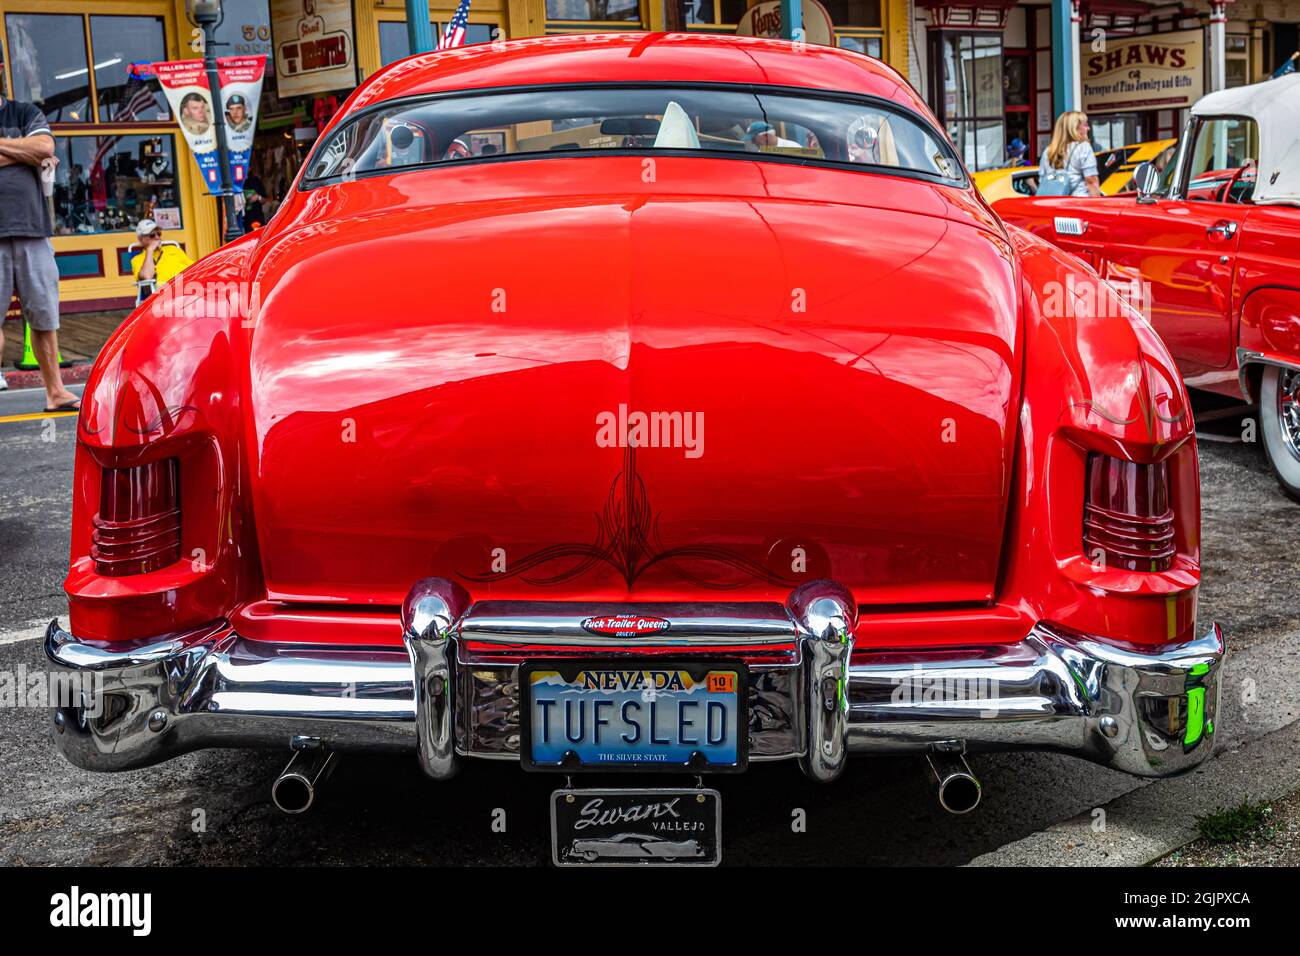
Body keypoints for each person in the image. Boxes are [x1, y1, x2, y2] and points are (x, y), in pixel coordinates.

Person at [0, 91, 79, 411]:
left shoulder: (23, 112)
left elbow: (45, 147)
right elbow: (34, 151)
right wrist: (23, 152)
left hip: (33, 228)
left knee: (44, 316)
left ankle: (55, 392)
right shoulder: (23, 125)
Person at [1040, 111, 1102, 197]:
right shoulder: (1083, 147)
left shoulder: (1048, 151)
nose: (1088, 128)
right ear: (1074, 128)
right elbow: (1091, 180)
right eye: (1085, 125)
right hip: (1078, 203)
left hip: (1053, 204)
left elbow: (1042, 179)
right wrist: (1097, 204)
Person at [130, 218, 193, 289]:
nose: (157, 237)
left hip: (189, 286)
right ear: (141, 239)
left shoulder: (173, 249)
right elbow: (147, 277)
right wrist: (150, 250)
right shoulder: (137, 259)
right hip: (166, 293)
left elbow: (194, 268)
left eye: (159, 234)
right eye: (152, 235)